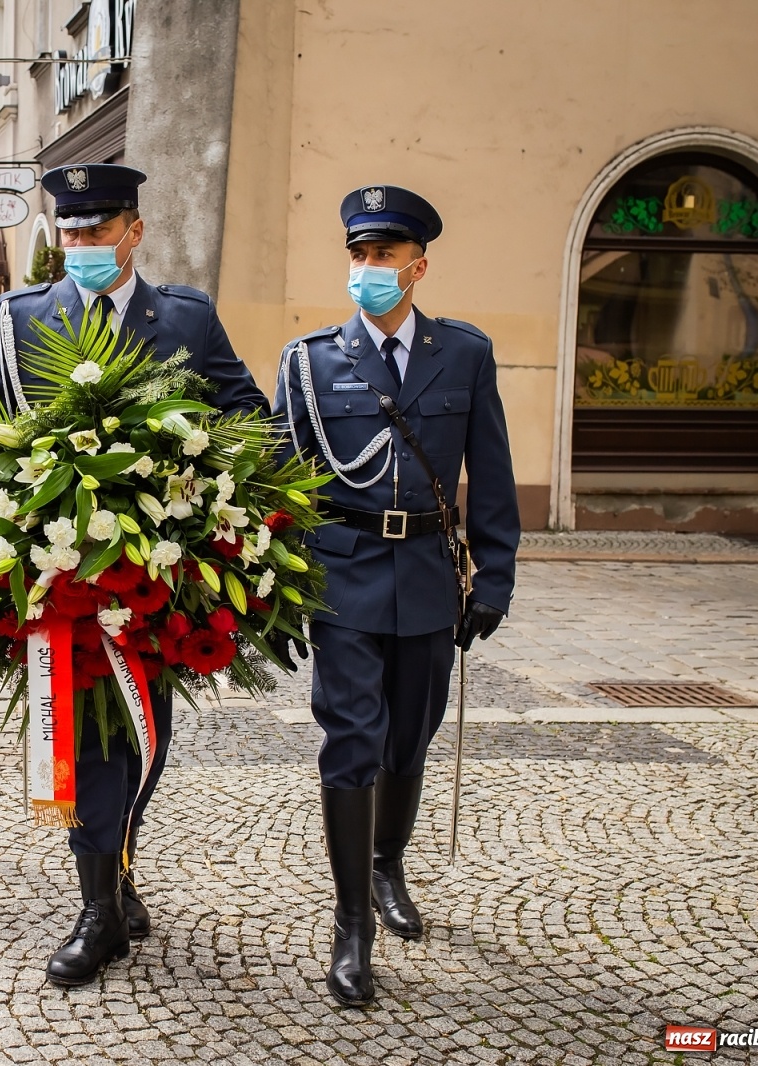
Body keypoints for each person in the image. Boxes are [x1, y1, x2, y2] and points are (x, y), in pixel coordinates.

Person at [0, 164, 268, 986]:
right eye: (69, 231)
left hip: (156, 567)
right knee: (90, 731)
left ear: (134, 232)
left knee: (147, 729)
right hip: (62, 568)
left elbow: (246, 409)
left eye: (97, 231)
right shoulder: (21, 317)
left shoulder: (184, 316)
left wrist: (216, 476)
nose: (80, 245)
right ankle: (97, 909)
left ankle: (120, 867)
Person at [270, 186, 520, 1007]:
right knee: (352, 739)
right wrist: (280, 592)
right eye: (358, 254)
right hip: (342, 573)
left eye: (384, 255)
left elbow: (491, 471)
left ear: (418, 266)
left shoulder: (465, 354)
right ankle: (352, 928)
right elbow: (278, 483)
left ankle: (386, 868)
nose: (368, 268)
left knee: (409, 737)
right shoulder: (309, 361)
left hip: (426, 574)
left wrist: (495, 575)